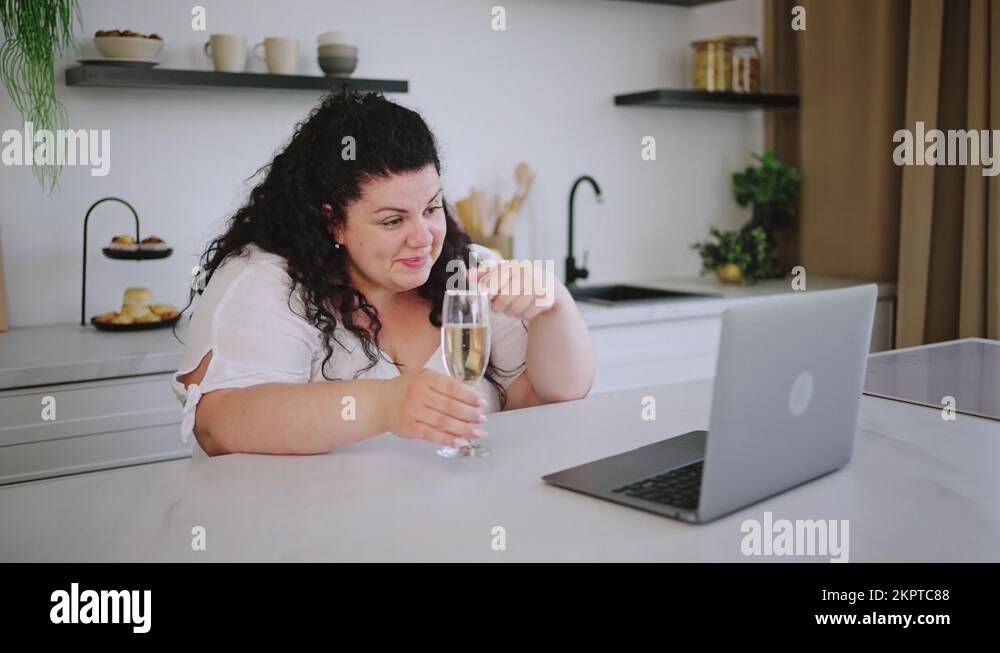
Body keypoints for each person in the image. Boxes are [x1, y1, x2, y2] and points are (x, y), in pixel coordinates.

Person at [172, 90, 595, 457]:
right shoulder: (267, 283)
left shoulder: (466, 270)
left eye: (431, 208)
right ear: (333, 221)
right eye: (393, 221)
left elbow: (544, 400)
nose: (423, 238)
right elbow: (219, 425)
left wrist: (554, 307)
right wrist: (382, 405)